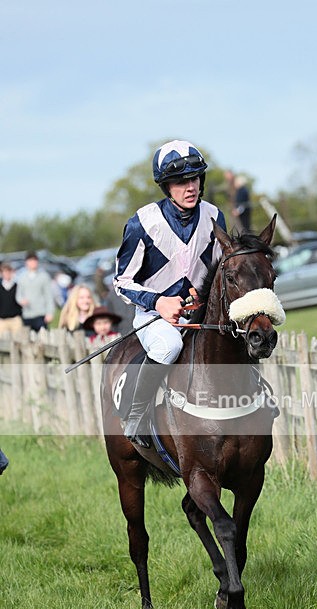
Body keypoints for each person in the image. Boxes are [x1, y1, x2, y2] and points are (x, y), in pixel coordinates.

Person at [114, 139, 226, 447]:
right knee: (169, 346)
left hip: (200, 315)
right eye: (180, 181)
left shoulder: (215, 216)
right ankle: (136, 415)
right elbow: (122, 281)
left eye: (195, 178)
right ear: (166, 186)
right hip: (155, 318)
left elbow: (221, 269)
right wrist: (158, 301)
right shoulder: (142, 223)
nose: (190, 187)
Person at [15, 251, 55, 332]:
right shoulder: (21, 277)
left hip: (41, 314)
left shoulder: (44, 276)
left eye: (34, 260)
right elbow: (18, 295)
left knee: (42, 336)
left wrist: (50, 313)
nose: (33, 263)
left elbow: (49, 296)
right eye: (30, 260)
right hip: (27, 314)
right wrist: (21, 301)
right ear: (26, 262)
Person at [0, 262, 23, 334]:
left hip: (15, 319)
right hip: (2, 320)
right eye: (4, 272)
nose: (7, 274)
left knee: (18, 339)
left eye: (8, 272)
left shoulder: (17, 286)